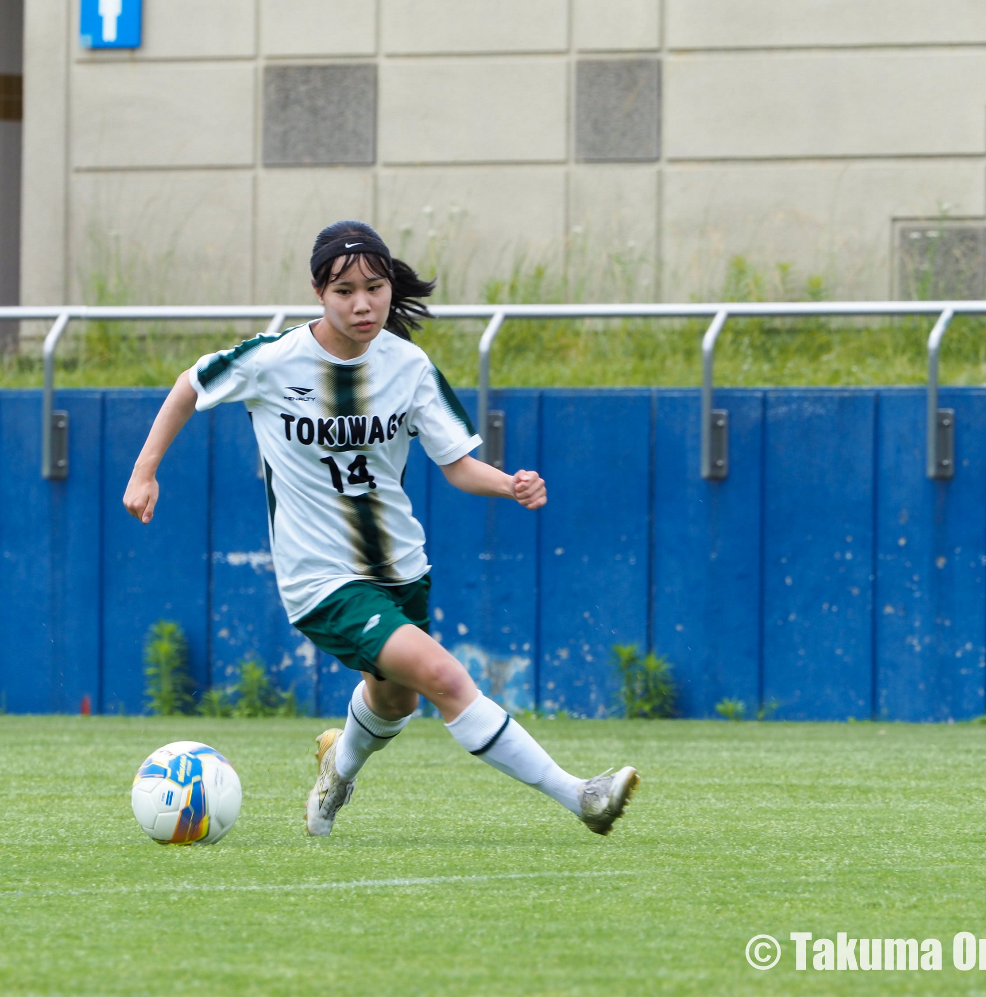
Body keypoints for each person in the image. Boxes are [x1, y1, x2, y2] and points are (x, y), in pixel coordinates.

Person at [122, 221, 639, 837]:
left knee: (396, 700)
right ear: (319, 292)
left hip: (401, 568)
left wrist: (508, 483)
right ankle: (581, 795)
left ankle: (337, 768)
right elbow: (190, 385)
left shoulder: (409, 366)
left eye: (375, 286)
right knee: (446, 677)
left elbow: (456, 465)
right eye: (344, 290)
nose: (363, 303)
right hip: (320, 580)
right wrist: (145, 471)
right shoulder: (272, 360)